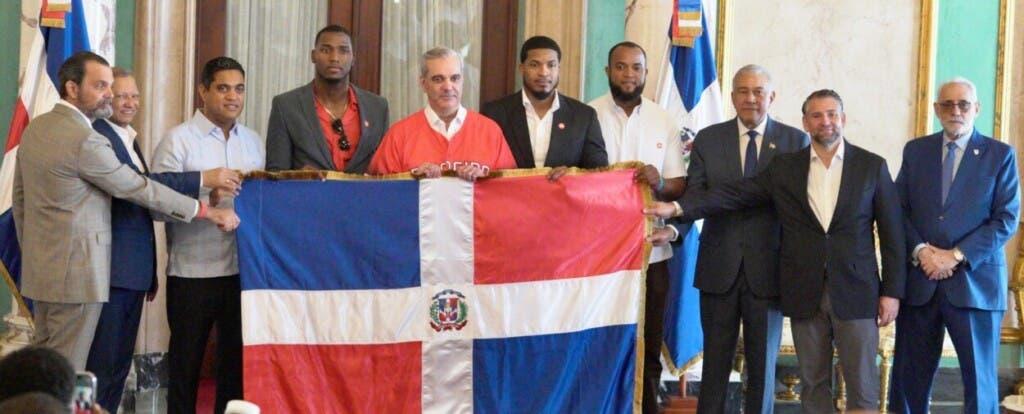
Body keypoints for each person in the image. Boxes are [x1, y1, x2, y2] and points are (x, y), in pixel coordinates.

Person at [646, 89, 905, 413]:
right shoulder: (787, 168)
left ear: (843, 119)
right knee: (813, 385)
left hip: (856, 292)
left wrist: (891, 292)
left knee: (862, 387)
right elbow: (733, 195)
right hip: (804, 293)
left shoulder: (871, 166)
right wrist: (677, 207)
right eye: (816, 115)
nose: (825, 122)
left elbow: (894, 236)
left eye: (832, 114)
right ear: (805, 123)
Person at [12, 52, 238, 371]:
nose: (109, 94)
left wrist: (35, 254)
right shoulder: (85, 140)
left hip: (42, 274)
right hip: (78, 279)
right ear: (72, 88)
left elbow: (19, 203)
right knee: (68, 372)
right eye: (101, 86)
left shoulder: (36, 128)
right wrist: (204, 210)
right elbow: (136, 187)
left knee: (45, 371)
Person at [85, 67, 242, 411]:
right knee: (104, 368)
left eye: (135, 95)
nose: (129, 103)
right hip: (120, 273)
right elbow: (145, 193)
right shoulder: (98, 136)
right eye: (120, 95)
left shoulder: (127, 138)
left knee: (115, 368)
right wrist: (204, 193)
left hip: (142, 272)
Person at [890, 77, 1020, 413]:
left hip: (974, 285)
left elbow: (1005, 218)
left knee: (979, 384)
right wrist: (921, 251)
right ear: (936, 109)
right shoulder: (915, 151)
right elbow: (897, 211)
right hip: (922, 283)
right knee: (908, 384)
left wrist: (955, 256)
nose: (955, 111)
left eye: (963, 104)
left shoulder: (1000, 155)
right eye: (947, 104)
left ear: (976, 109)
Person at [685, 65, 808, 414]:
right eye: (742, 91)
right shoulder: (709, 139)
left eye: (758, 91)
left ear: (772, 97)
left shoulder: (793, 141)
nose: (750, 98)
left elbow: (794, 205)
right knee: (714, 369)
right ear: (733, 96)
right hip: (718, 268)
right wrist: (675, 217)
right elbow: (696, 195)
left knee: (763, 368)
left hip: (768, 271)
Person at [151, 56, 265, 414]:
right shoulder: (178, 141)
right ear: (203, 91)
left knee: (235, 370)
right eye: (223, 88)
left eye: (240, 88)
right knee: (186, 369)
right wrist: (206, 197)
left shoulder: (254, 141)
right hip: (192, 274)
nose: (233, 96)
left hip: (242, 273)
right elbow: (154, 206)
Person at [588, 41, 685, 414]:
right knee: (601, 341)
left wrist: (659, 181)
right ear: (608, 71)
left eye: (636, 68)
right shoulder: (587, 114)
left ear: (646, 73)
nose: (629, 75)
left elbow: (680, 185)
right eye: (621, 67)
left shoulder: (664, 120)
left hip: (652, 253)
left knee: (648, 341)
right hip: (598, 256)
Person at [368, 47, 515, 180]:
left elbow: (509, 191)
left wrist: (485, 180)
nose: (448, 87)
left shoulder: (490, 131)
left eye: (454, 78)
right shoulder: (399, 135)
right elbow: (378, 193)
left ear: (462, 81)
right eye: (438, 79)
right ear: (423, 84)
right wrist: (411, 180)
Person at [265, 24, 390, 173]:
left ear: (353, 58)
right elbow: (274, 174)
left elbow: (384, 169)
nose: (334, 58)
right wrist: (296, 177)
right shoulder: (286, 106)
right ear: (313, 55)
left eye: (343, 51)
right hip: (308, 195)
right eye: (326, 50)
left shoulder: (377, 107)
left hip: (363, 196)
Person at [480, 35, 607, 180]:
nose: (544, 72)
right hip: (511, 200)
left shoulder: (584, 116)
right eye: (535, 65)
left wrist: (573, 174)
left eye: (551, 65)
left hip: (562, 200)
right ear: (521, 69)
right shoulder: (494, 113)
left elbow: (599, 170)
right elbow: (482, 166)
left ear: (559, 69)